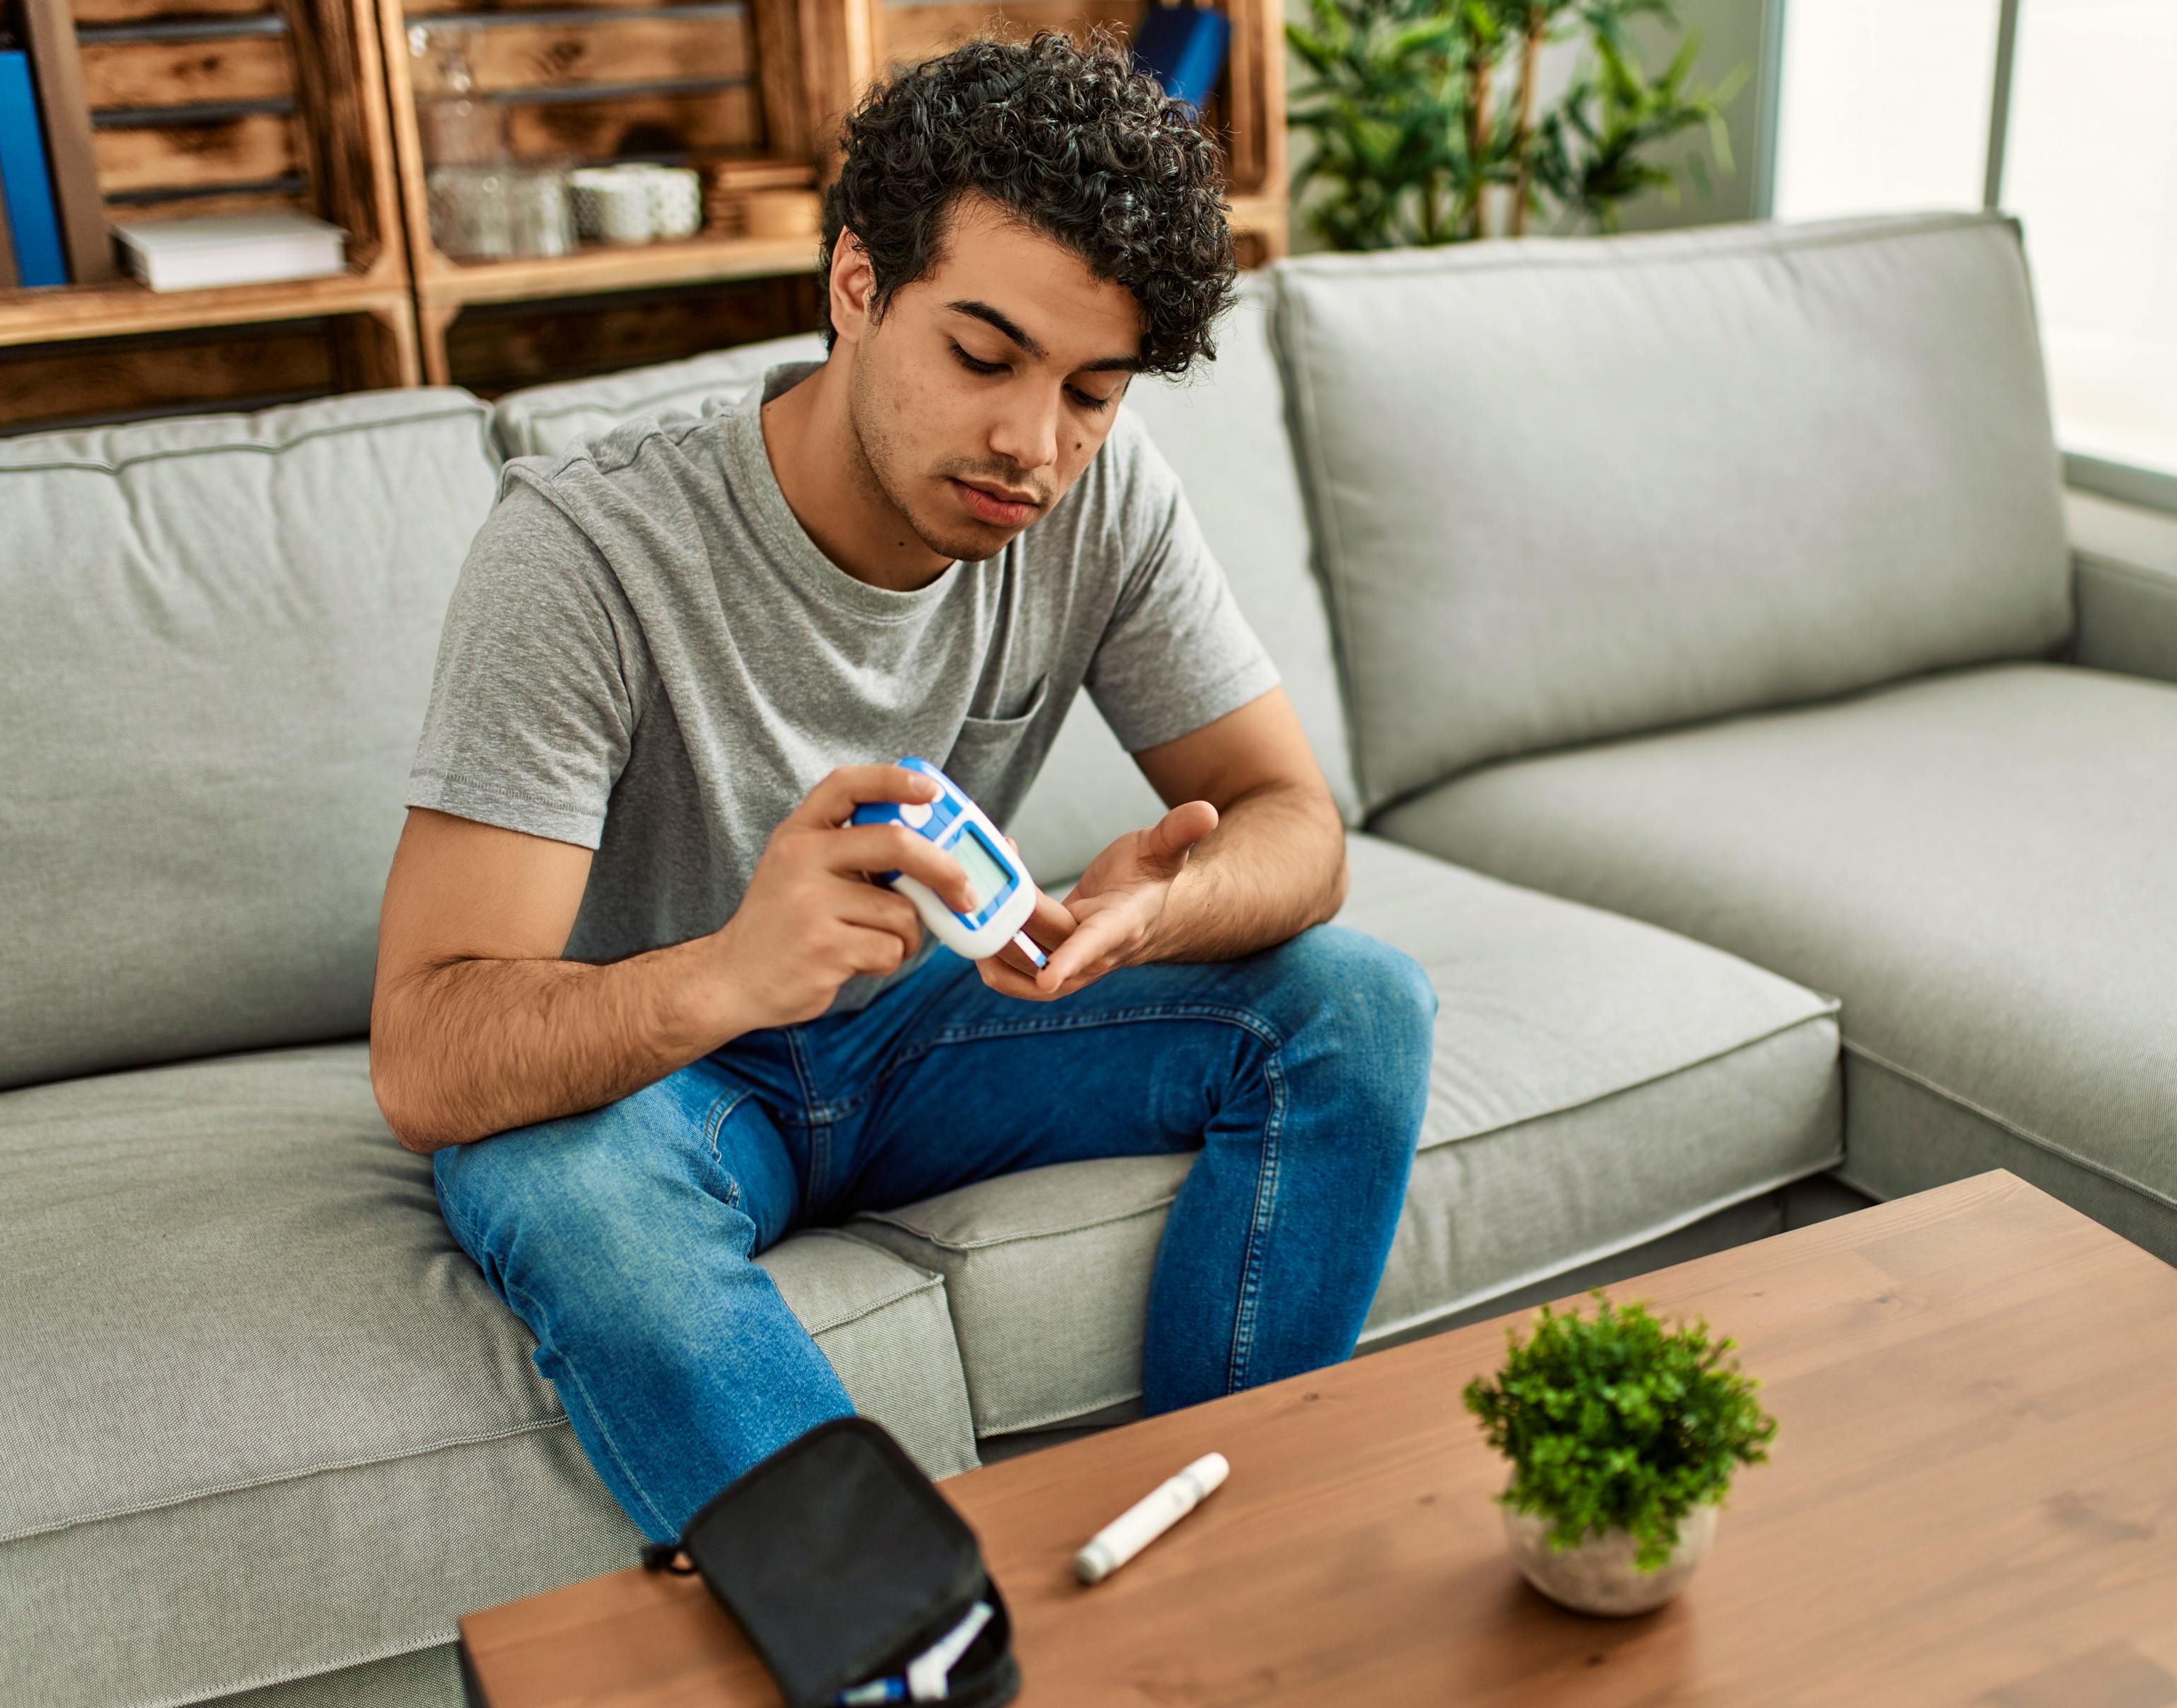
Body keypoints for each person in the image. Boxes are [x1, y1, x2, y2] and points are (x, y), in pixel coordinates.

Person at [368, 33, 1436, 1544]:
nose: (1033, 448)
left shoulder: (1100, 497)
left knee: (1357, 1002)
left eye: (1092, 391)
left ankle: (1216, 1556)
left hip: (932, 1030)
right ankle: (910, 1634)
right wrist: (736, 970)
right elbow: (425, 1053)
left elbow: (1295, 825)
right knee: (565, 1191)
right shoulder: (586, 554)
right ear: (857, 285)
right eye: (985, 359)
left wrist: (1164, 911)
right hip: (668, 1068)